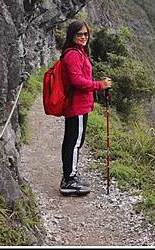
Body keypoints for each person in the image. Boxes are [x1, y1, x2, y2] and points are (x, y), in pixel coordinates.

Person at [59, 20, 112, 196]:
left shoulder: (80, 52)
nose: (83, 37)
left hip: (80, 105)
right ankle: (69, 180)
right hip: (77, 105)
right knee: (74, 142)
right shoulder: (73, 54)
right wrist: (99, 85)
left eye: (86, 34)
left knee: (74, 141)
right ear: (72, 36)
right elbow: (76, 81)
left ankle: (70, 175)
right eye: (79, 34)